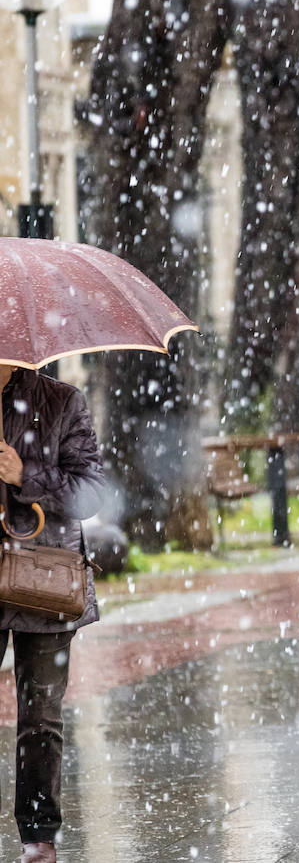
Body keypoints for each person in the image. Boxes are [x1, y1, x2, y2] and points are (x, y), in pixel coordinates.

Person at [0, 365, 104, 863]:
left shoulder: (62, 401)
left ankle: (39, 838)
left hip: (44, 579)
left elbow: (92, 492)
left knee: (40, 716)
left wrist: (25, 475)